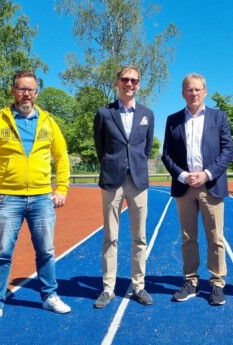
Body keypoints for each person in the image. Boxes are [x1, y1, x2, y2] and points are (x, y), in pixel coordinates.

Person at [0, 70, 72, 327]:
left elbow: (61, 157)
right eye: (21, 88)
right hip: (8, 198)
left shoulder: (49, 122)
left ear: (37, 93)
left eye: (31, 89)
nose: (26, 93)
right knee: (2, 252)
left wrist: (62, 188)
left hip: (41, 198)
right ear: (13, 91)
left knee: (46, 251)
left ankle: (50, 296)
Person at [161, 73, 233, 306]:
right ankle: (191, 281)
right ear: (183, 93)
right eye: (189, 90)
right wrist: (182, 175)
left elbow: (227, 150)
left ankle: (217, 283)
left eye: (198, 89)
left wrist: (206, 174)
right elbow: (166, 154)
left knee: (215, 237)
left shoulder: (218, 117)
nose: (193, 93)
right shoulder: (172, 120)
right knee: (187, 237)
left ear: (205, 91)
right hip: (184, 187)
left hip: (210, 185)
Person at [92, 66, 155, 309]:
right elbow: (100, 146)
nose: (130, 83)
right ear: (117, 82)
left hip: (138, 181)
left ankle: (138, 286)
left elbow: (146, 148)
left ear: (139, 84)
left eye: (134, 80)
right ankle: (108, 288)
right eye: (125, 79)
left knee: (139, 237)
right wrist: (113, 165)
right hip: (112, 180)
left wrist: (134, 166)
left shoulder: (147, 114)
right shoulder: (104, 113)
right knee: (111, 236)